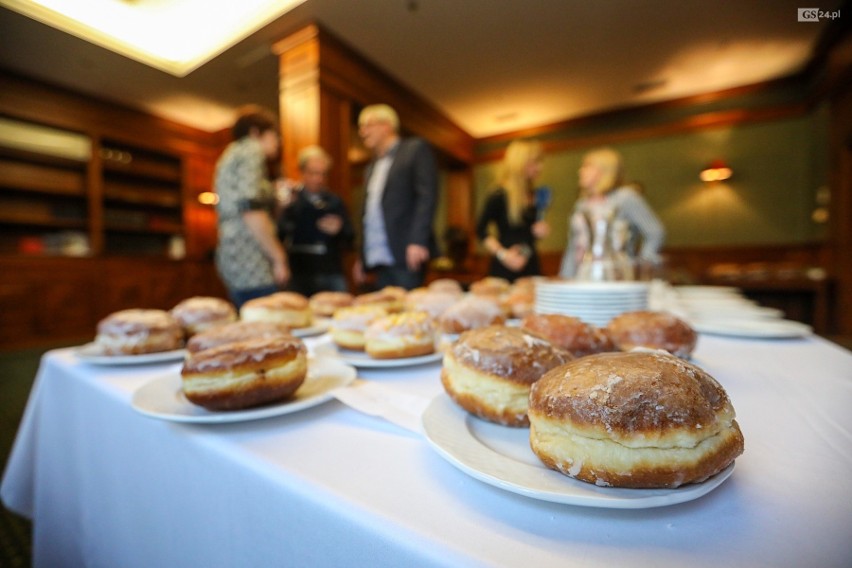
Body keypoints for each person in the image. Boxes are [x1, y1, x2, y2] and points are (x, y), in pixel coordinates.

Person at [352, 104, 439, 291]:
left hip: (406, 253)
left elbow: (427, 196)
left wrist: (417, 240)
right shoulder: (371, 167)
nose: (362, 131)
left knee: (408, 314)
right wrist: (362, 256)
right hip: (378, 258)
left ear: (387, 126)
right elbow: (369, 213)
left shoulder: (414, 149)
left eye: (368, 125)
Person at [214, 105, 289, 308]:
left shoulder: (230, 155)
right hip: (251, 260)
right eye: (274, 135)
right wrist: (279, 257)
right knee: (265, 324)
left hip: (232, 257)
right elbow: (251, 209)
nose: (279, 142)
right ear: (255, 132)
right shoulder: (251, 150)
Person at [559, 147, 665, 279]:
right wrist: (565, 276)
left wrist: (640, 266)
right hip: (582, 272)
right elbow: (574, 245)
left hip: (615, 274)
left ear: (605, 170)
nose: (581, 171)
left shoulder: (625, 197)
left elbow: (655, 232)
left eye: (587, 166)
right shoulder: (581, 204)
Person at [277, 145, 354, 296]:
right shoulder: (291, 201)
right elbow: (279, 234)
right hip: (299, 273)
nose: (318, 179)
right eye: (313, 173)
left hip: (330, 271)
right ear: (302, 172)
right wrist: (281, 210)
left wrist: (340, 229)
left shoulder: (335, 202)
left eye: (323, 174)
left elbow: (350, 239)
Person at [476, 139, 551, 282]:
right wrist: (503, 255)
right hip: (504, 266)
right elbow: (480, 230)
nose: (539, 167)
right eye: (535, 162)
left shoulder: (534, 195)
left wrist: (540, 231)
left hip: (530, 263)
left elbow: (527, 237)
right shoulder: (498, 194)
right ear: (520, 163)